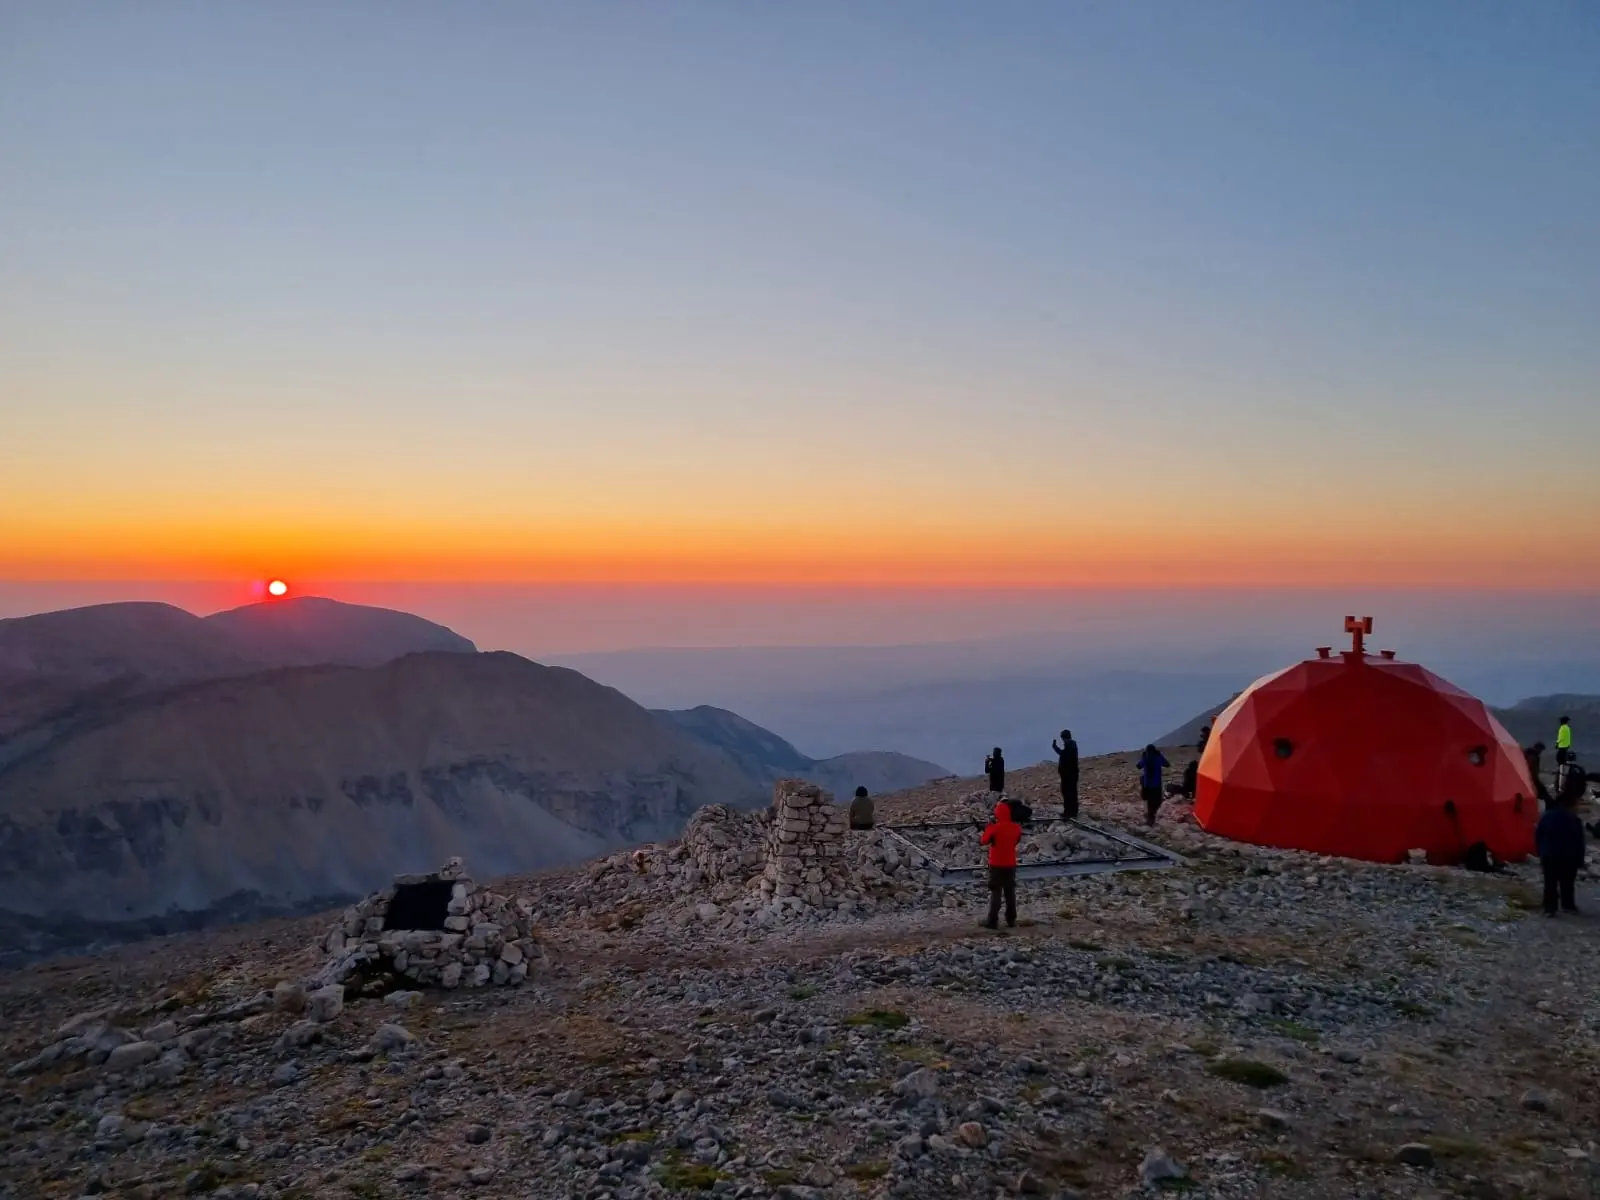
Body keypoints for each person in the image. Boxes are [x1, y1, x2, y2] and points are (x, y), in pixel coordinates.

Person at [1536, 789, 1585, 916]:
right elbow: (1579, 842)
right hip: (1568, 856)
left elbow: (1539, 835)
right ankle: (1567, 904)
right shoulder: (1574, 820)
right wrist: (1580, 860)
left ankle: (1549, 907)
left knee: (1550, 883)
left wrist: (1540, 851)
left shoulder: (1546, 816)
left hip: (1549, 854)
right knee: (1567, 883)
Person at [979, 799, 1022, 929]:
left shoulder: (994, 828)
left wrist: (988, 828)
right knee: (1010, 892)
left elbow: (983, 841)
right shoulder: (1016, 827)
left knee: (996, 892)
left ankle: (992, 921)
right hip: (1010, 863)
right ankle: (1011, 920)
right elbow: (1016, 841)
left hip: (996, 864)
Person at [1136, 744, 1170, 826]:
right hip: (1157, 784)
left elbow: (1138, 766)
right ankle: (1155, 816)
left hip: (1147, 784)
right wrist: (1160, 755)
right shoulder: (1158, 756)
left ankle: (1150, 819)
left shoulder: (1146, 757)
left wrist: (1143, 757)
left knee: (1150, 802)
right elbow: (1167, 764)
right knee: (1157, 801)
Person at [1051, 729, 1080, 819]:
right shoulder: (1072, 745)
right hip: (1070, 774)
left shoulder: (1070, 745)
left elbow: (1063, 755)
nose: (1063, 741)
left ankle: (1069, 812)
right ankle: (1072, 811)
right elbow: (1064, 754)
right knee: (1071, 793)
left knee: (1068, 793)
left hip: (1068, 775)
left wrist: (1055, 747)